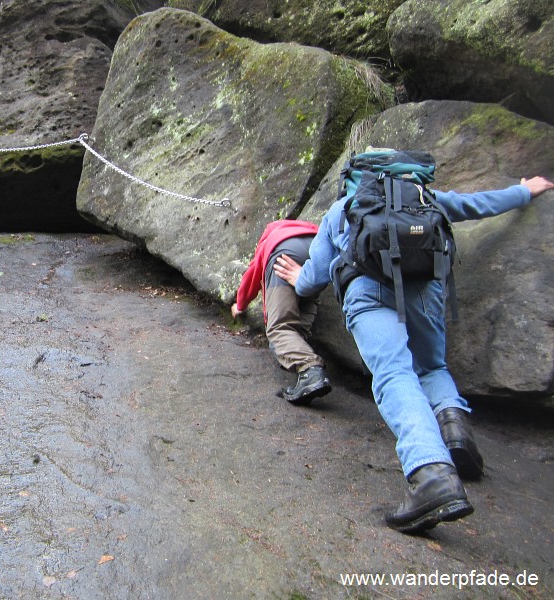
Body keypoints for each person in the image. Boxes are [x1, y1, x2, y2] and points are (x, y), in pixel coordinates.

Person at [273, 173, 554, 534]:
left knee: (394, 374)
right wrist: (523, 191)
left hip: (368, 291)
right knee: (432, 367)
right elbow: (476, 204)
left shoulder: (343, 208)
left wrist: (297, 278)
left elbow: (313, 279)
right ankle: (455, 436)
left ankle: (431, 475)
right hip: (425, 289)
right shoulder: (423, 198)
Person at [231, 219, 331, 405]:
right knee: (299, 323)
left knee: (279, 328)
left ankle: (309, 370)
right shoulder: (309, 228)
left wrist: (240, 305)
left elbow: (252, 276)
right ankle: (297, 354)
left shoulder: (273, 236)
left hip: (284, 257)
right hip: (318, 255)